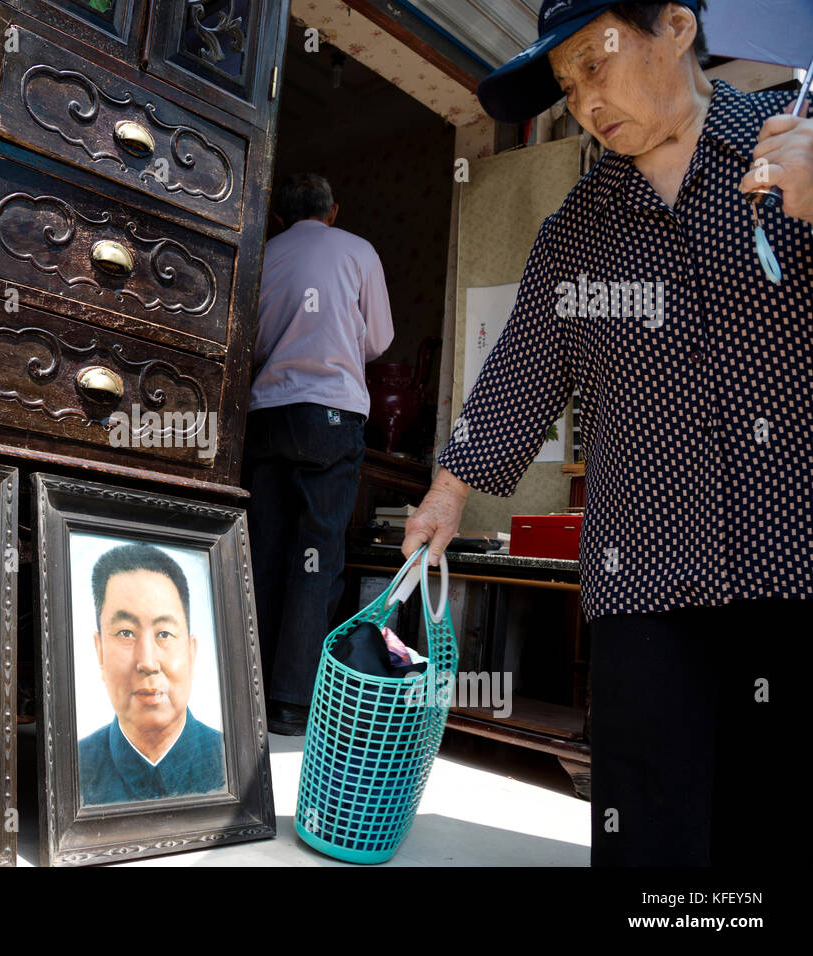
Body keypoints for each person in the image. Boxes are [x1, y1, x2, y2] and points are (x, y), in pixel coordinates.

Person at [405, 0, 811, 866]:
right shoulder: (579, 229)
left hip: (793, 554)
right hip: (645, 575)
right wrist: (447, 491)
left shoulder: (794, 147)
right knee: (649, 825)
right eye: (567, 83)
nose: (585, 101)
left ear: (675, 24)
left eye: (596, 61)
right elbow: (520, 369)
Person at [245, 172, 395, 735]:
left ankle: (247, 690)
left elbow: (253, 341)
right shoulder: (359, 251)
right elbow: (378, 340)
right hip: (330, 414)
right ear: (334, 211)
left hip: (269, 414)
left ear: (281, 216)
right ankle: (290, 702)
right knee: (316, 555)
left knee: (265, 549)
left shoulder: (264, 255)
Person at [77, 543, 226, 805]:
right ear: (99, 651)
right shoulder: (72, 768)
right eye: (126, 633)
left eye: (164, 634)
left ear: (191, 653)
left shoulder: (231, 762)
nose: (147, 662)